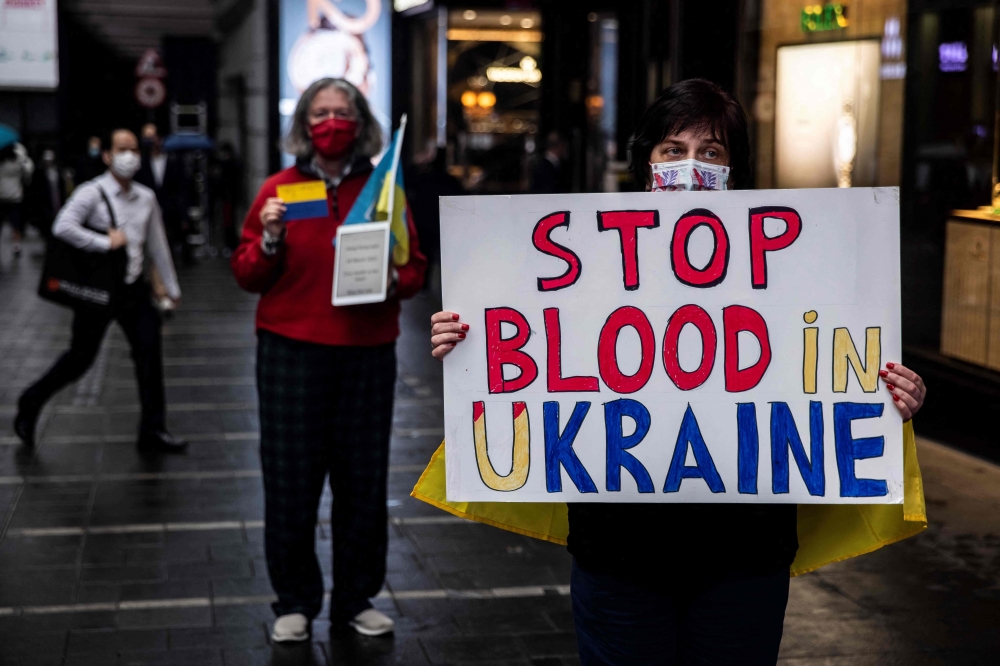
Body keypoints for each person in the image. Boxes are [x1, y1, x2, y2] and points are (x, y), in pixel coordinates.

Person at [428, 79, 929, 665]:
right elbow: (534, 348)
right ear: (646, 167)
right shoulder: (586, 264)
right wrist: (468, 342)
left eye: (711, 153)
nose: (691, 167)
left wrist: (892, 390)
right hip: (621, 554)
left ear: (733, 172)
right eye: (673, 150)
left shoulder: (793, 272)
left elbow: (834, 360)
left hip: (744, 556)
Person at [231, 78, 427, 643]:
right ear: (305, 122)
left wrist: (389, 277)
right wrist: (268, 239)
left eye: (343, 112)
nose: (333, 121)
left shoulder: (385, 191)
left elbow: (414, 271)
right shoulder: (280, 189)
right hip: (290, 353)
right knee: (290, 482)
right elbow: (246, 274)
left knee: (362, 483)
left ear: (360, 121)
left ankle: (355, 599)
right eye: (322, 112)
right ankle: (294, 601)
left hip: (367, 354)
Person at [14, 129, 188, 454]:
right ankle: (31, 400)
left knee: (149, 354)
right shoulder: (91, 192)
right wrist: (104, 242)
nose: (130, 155)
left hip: (134, 291)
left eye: (135, 149)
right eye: (122, 149)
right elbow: (62, 227)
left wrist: (172, 288)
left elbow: (158, 246)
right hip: (100, 291)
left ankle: (153, 429)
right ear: (107, 156)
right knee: (81, 357)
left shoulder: (146, 197)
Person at [0, 142, 35, 257]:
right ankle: (16, 244)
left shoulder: (2, 163)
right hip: (15, 197)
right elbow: (28, 171)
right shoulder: (18, 162)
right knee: (16, 223)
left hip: (2, 196)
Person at [26, 147, 69, 238]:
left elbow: (62, 188)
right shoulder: (39, 173)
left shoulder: (58, 171)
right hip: (44, 205)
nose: (49, 162)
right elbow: (35, 191)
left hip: (57, 202)